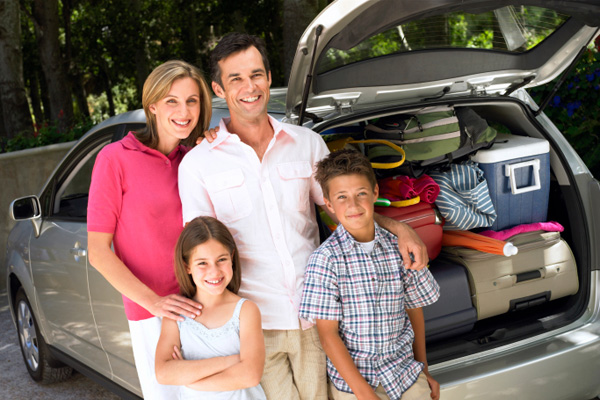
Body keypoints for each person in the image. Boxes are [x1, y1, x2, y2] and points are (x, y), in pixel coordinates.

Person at [178, 32, 428, 400]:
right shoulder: (199, 163)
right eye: (236, 79)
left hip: (317, 317)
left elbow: (343, 208)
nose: (250, 87)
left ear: (268, 77)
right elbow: (200, 250)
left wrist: (398, 228)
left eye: (257, 74)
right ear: (218, 88)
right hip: (253, 325)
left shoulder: (307, 144)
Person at [87, 60, 212, 399]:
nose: (184, 111)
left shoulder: (197, 160)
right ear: (152, 105)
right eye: (172, 100)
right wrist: (155, 303)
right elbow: (98, 252)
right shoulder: (115, 159)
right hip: (152, 314)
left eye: (192, 100)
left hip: (206, 305)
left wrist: (216, 145)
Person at [299, 149, 441, 400]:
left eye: (360, 194)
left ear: (375, 193)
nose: (352, 205)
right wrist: (364, 394)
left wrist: (424, 369)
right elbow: (328, 335)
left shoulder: (400, 248)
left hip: (405, 375)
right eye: (342, 197)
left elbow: (414, 309)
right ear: (329, 204)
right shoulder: (325, 260)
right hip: (354, 385)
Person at [154, 216, 266, 399]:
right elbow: (164, 373)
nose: (214, 271)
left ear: (231, 258)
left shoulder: (246, 310)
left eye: (221, 259)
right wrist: (232, 361)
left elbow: (250, 375)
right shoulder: (176, 315)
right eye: (202, 263)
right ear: (187, 266)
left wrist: (191, 380)